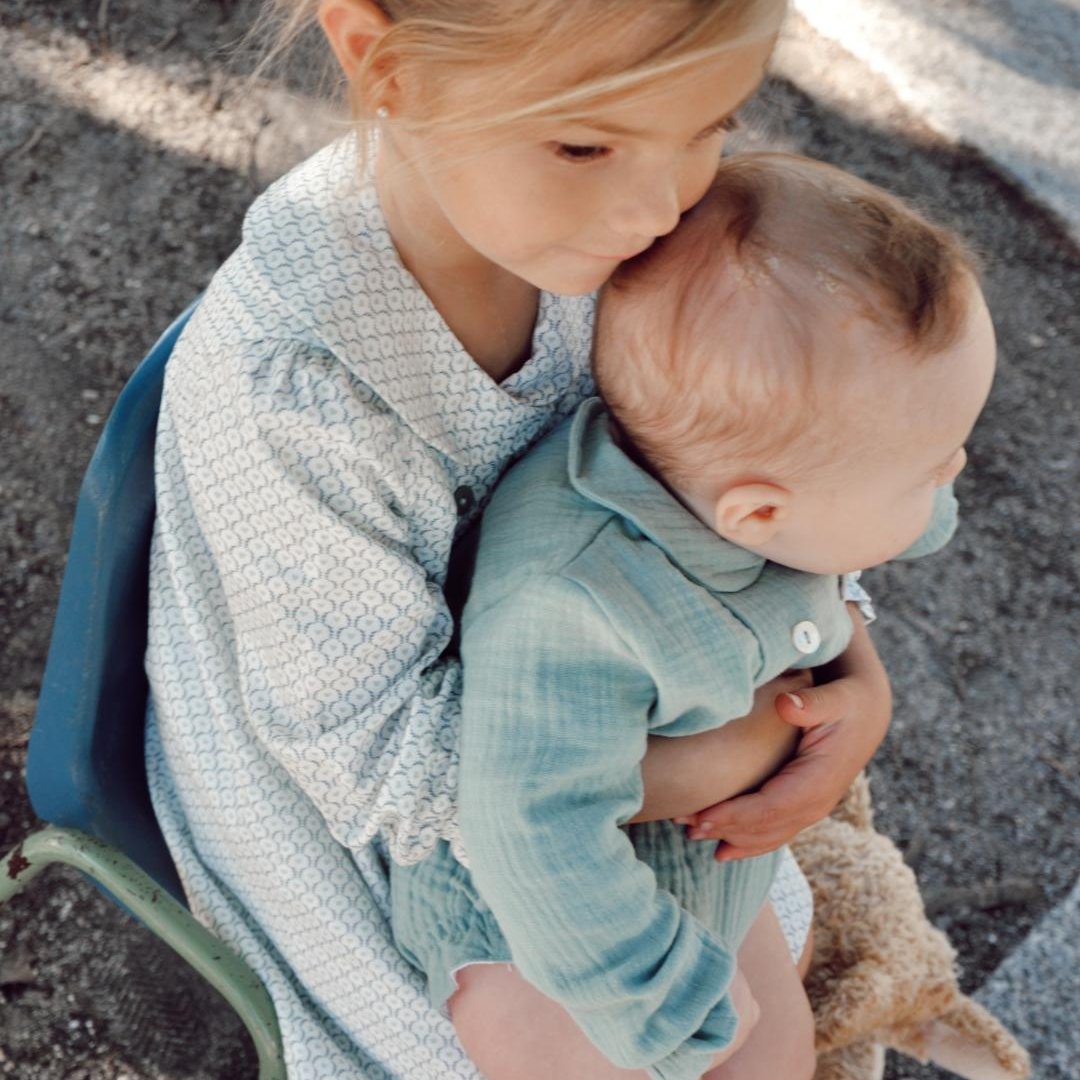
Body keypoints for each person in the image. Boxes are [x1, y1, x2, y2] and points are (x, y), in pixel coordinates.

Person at [144, 2, 893, 1076]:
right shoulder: (297, 397)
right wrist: (728, 756)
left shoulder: (635, 235)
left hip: (629, 713)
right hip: (409, 804)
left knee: (767, 1038)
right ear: (382, 61)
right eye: (583, 145)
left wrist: (853, 672)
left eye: (712, 124)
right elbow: (374, 761)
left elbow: (761, 458)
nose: (657, 204)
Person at [390, 152, 996, 1080]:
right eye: (930, 470)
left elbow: (866, 519)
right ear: (760, 515)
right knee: (583, 1059)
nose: (953, 477)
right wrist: (664, 1001)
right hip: (536, 918)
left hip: (701, 857)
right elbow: (531, 826)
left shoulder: (745, 480)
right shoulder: (575, 601)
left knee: (778, 1051)